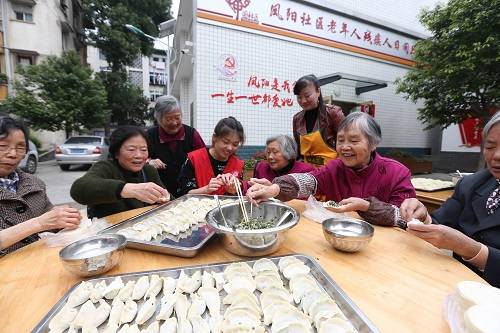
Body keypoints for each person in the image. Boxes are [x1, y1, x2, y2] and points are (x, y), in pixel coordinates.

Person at [247, 112, 416, 225]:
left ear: (373, 143)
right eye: (340, 140)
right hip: (336, 239)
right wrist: (276, 188)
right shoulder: (335, 166)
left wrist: (365, 206)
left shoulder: (397, 173)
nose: (344, 147)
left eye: (354, 141)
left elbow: (406, 219)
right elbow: (310, 180)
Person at [399, 112, 500, 287]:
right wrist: (422, 217)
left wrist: (472, 250)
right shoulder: (471, 184)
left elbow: (459, 242)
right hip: (455, 284)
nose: (497, 155)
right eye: (490, 146)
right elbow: (440, 222)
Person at [0, 116, 81, 255]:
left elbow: (48, 216)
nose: (13, 154)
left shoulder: (34, 183)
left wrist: (62, 217)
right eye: (2, 146)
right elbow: (42, 222)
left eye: (20, 147)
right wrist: (39, 223)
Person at [71, 126, 170, 218]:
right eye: (131, 150)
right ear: (116, 152)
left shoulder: (149, 170)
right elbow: (79, 189)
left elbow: (168, 200)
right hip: (110, 232)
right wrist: (126, 189)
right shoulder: (106, 167)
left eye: (144, 150)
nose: (139, 155)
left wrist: (167, 198)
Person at [147, 95, 206, 196]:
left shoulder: (192, 134)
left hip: (189, 192)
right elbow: (139, 160)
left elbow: (204, 158)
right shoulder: (149, 136)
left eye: (177, 118)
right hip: (159, 193)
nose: (174, 123)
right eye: (169, 119)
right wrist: (149, 162)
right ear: (158, 119)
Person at [178, 116, 245, 196]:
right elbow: (183, 192)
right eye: (225, 142)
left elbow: (238, 195)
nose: (230, 148)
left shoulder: (238, 164)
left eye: (235, 144)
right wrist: (206, 190)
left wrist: (234, 190)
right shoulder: (194, 159)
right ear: (214, 138)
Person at [292, 74, 345, 167]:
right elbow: (299, 151)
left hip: (331, 170)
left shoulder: (333, 113)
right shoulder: (297, 119)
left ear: (318, 91)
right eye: (299, 97)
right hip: (307, 172)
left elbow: (345, 143)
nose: (303, 101)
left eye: (307, 96)